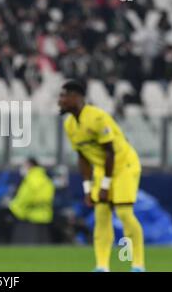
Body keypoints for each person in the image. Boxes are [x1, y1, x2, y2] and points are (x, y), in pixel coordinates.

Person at [58, 80, 145, 272]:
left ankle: (138, 265)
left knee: (123, 212)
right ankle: (102, 266)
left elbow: (110, 152)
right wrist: (88, 189)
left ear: (76, 97)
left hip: (124, 165)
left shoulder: (98, 117)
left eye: (64, 96)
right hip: (101, 168)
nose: (60, 101)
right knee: (101, 214)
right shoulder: (70, 124)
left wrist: (105, 186)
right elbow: (82, 157)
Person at [8, 158, 55, 244]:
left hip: (29, 217)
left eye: (25, 165)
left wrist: (13, 206)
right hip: (44, 217)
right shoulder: (46, 179)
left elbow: (24, 198)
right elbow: (48, 197)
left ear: (30, 166)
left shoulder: (30, 179)